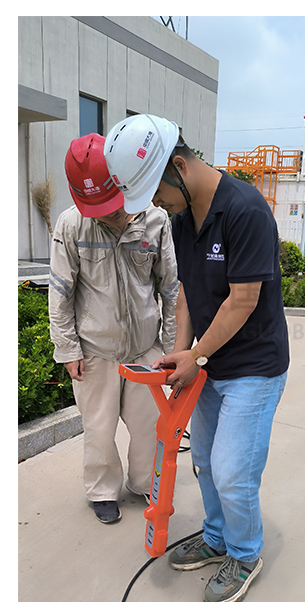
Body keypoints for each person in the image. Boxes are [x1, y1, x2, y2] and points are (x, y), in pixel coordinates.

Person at [104, 113, 290, 602]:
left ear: (179, 167)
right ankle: (216, 537)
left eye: (158, 193)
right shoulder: (183, 221)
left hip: (254, 365)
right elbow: (188, 294)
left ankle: (246, 554)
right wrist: (182, 354)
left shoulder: (246, 210)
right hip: (209, 362)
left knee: (232, 470)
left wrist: (198, 354)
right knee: (204, 461)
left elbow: (242, 302)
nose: (158, 204)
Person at [49, 133, 178, 524]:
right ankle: (103, 490)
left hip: (144, 349)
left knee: (148, 427)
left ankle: (142, 482)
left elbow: (171, 289)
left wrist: (170, 350)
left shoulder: (155, 219)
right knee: (99, 430)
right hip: (95, 352)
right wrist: (68, 350)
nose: (104, 214)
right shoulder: (71, 225)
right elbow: (60, 292)